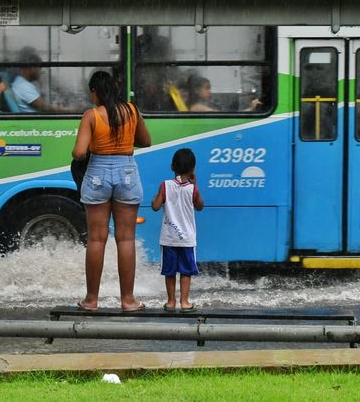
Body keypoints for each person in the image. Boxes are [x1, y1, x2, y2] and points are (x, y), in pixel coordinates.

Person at [72, 71, 151, 312]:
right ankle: (128, 301)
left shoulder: (92, 116)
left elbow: (79, 153)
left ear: (95, 91)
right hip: (126, 170)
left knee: (97, 239)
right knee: (126, 239)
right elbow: (146, 141)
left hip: (98, 172)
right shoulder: (131, 111)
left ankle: (91, 300)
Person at [151, 148, 204, 312]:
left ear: (172, 166)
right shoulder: (192, 189)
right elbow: (200, 206)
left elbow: (155, 206)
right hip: (187, 238)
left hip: (169, 238)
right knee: (186, 272)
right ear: (193, 169)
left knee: (170, 272)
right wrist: (195, 185)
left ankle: (171, 302)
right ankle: (185, 302)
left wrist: (157, 195)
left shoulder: (165, 185)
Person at [11, 47, 58, 114]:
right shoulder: (23, 86)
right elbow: (45, 108)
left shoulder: (22, 82)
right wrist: (69, 110)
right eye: (39, 68)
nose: (40, 71)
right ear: (31, 67)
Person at [187, 75, 262, 113]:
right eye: (206, 88)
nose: (209, 91)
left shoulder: (203, 104)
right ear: (197, 90)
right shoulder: (197, 107)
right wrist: (251, 108)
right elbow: (226, 117)